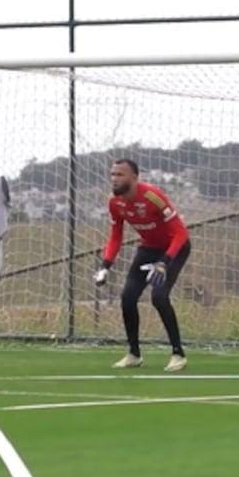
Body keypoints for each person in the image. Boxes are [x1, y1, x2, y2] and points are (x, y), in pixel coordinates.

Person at [95, 158, 190, 372]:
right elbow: (115, 236)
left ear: (134, 178)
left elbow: (181, 233)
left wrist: (164, 263)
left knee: (159, 296)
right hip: (148, 249)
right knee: (127, 298)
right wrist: (105, 266)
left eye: (120, 174)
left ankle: (178, 354)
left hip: (174, 249)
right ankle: (134, 354)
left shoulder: (152, 196)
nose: (114, 179)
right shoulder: (114, 202)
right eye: (112, 174)